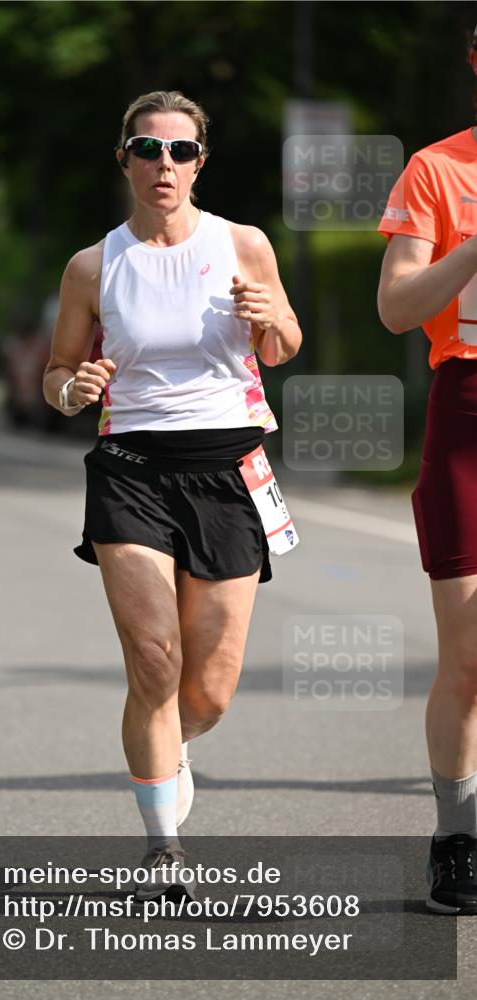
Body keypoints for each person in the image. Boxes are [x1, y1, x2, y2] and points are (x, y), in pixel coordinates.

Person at [43, 90, 301, 899]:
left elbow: (287, 343)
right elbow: (55, 374)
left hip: (228, 470)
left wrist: (268, 320)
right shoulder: (94, 265)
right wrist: (69, 390)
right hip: (129, 470)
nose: (165, 165)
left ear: (199, 162)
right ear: (123, 159)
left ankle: (168, 745)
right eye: (147, 149)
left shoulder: (243, 244)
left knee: (209, 691)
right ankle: (162, 849)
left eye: (180, 151)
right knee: (153, 661)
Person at [377, 27, 477, 915]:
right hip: (469, 412)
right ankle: (456, 844)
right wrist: (473, 247)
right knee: (468, 661)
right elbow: (396, 307)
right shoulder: (436, 171)